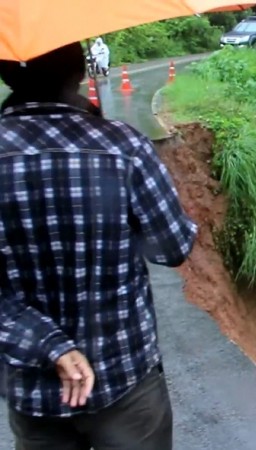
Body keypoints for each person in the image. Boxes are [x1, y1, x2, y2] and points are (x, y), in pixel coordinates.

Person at [0, 42, 197, 449]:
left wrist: (51, 346)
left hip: (34, 391)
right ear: (79, 70)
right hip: (124, 377)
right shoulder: (122, 146)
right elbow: (172, 246)